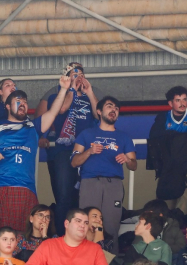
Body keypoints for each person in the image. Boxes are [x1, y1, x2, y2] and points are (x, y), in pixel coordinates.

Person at [0, 75, 70, 231]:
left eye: (25, 102)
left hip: (25, 188)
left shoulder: (33, 126)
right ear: (7, 106)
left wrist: (64, 89)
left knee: (24, 236)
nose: (23, 104)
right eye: (18, 101)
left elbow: (53, 112)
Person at [36, 62, 102, 236]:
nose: (78, 77)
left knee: (82, 196)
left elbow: (98, 115)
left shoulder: (88, 97)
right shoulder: (57, 96)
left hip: (86, 152)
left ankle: (83, 234)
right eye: (74, 74)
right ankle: (61, 235)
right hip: (63, 151)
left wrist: (89, 91)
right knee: (64, 195)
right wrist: (71, 89)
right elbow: (63, 108)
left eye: (81, 74)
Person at [71, 96, 137, 254]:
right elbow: (74, 162)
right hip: (90, 183)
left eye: (116, 108)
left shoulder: (124, 137)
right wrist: (89, 151)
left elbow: (134, 165)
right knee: (85, 224)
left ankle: (109, 260)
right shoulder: (86, 134)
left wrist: (128, 159)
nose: (114, 110)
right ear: (99, 111)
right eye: (109, 106)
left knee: (111, 225)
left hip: (113, 184)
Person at [149, 86, 187, 220]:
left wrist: (172, 137)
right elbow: (154, 138)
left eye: (184, 99)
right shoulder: (163, 118)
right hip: (168, 169)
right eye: (178, 100)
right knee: (164, 207)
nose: (182, 103)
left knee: (184, 202)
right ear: (170, 103)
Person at [26, 209, 108, 265]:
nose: (83, 225)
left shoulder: (95, 249)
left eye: (86, 223)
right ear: (66, 224)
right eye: (78, 221)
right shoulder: (48, 245)